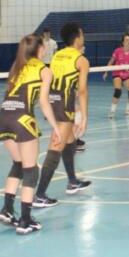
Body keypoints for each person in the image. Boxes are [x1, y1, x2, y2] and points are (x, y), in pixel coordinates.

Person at [0, 34, 62, 235]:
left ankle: (7, 209)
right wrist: (56, 127)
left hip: (3, 117)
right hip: (22, 119)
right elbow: (43, 102)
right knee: (31, 170)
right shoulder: (44, 70)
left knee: (18, 164)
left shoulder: (16, 67)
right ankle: (25, 220)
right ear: (40, 50)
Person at [34, 23, 92, 207]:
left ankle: (73, 181)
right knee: (56, 146)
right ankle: (39, 194)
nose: (83, 37)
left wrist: (48, 104)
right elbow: (82, 91)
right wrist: (84, 117)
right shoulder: (81, 60)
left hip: (53, 99)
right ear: (77, 38)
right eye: (82, 34)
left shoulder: (57, 54)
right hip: (63, 104)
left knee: (70, 140)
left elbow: (51, 80)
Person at [104, 34, 129, 118]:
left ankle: (128, 110)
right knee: (118, 91)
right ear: (123, 42)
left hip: (127, 73)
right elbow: (111, 61)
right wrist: (106, 72)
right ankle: (112, 111)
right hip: (117, 73)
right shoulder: (117, 51)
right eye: (127, 40)